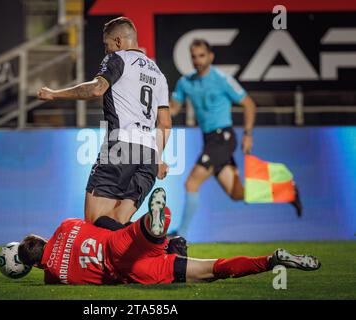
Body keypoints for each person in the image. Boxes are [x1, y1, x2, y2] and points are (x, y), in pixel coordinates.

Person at [17, 188, 320, 285]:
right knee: (145, 228)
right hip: (119, 244)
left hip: (129, 271)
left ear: (35, 266)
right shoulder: (67, 226)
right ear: (41, 239)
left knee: (209, 270)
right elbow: (103, 223)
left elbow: (50, 268)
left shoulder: (53, 277)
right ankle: (155, 228)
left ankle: (269, 261)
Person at [37, 17, 171, 229]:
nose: (106, 50)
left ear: (118, 41)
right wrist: (159, 158)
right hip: (149, 155)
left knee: (95, 220)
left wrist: (55, 94)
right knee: (118, 220)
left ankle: (148, 230)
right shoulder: (158, 74)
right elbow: (164, 123)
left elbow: (96, 89)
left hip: (120, 146)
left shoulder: (118, 58)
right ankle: (154, 236)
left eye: (106, 45)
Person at [170, 39, 302, 238]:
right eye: (194, 56)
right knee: (237, 194)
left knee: (191, 183)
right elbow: (172, 109)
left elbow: (249, 104)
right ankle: (286, 190)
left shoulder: (222, 79)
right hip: (209, 140)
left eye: (201, 55)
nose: (197, 60)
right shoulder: (185, 82)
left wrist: (248, 135)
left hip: (223, 138)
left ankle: (182, 235)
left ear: (211, 56)